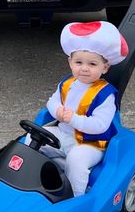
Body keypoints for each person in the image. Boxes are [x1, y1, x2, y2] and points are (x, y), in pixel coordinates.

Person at [26, 20, 128, 196]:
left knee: (76, 159)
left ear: (105, 67)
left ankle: (74, 196)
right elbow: (52, 101)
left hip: (90, 143)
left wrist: (73, 118)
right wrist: (57, 110)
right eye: (79, 62)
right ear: (70, 62)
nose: (84, 69)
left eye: (92, 64)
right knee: (30, 140)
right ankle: (39, 177)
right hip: (63, 133)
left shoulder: (105, 94)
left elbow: (100, 125)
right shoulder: (67, 83)